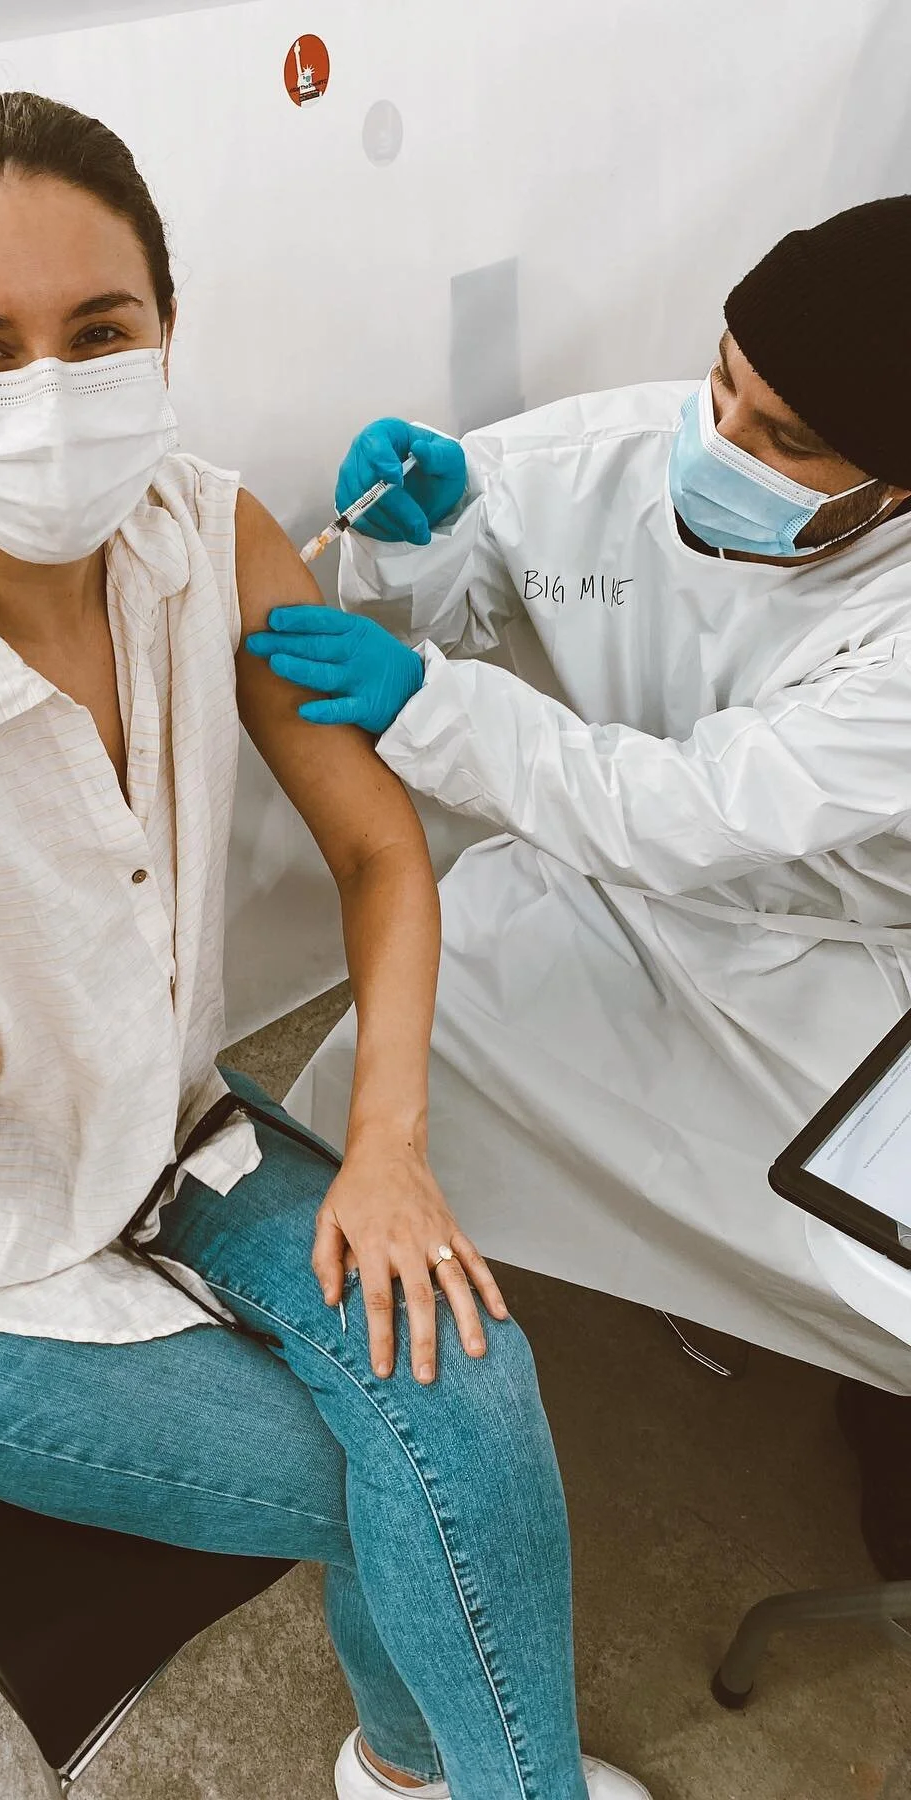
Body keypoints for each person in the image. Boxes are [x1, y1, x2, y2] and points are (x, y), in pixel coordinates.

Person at [0, 88, 649, 1800]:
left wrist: (387, 1147)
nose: (48, 390)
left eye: (98, 332)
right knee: (420, 1475)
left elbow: (377, 850)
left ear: (166, 327)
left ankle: (407, 1775)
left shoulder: (208, 538)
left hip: (167, 1142)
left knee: (467, 1383)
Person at [247, 197, 911, 1577]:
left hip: (829, 967)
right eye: (722, 380)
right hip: (596, 888)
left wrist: (431, 706)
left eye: (787, 439)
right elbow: (479, 577)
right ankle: (295, 1349)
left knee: (871, 1275)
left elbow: (693, 811)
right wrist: (418, 540)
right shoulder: (627, 448)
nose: (717, 444)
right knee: (355, 1097)